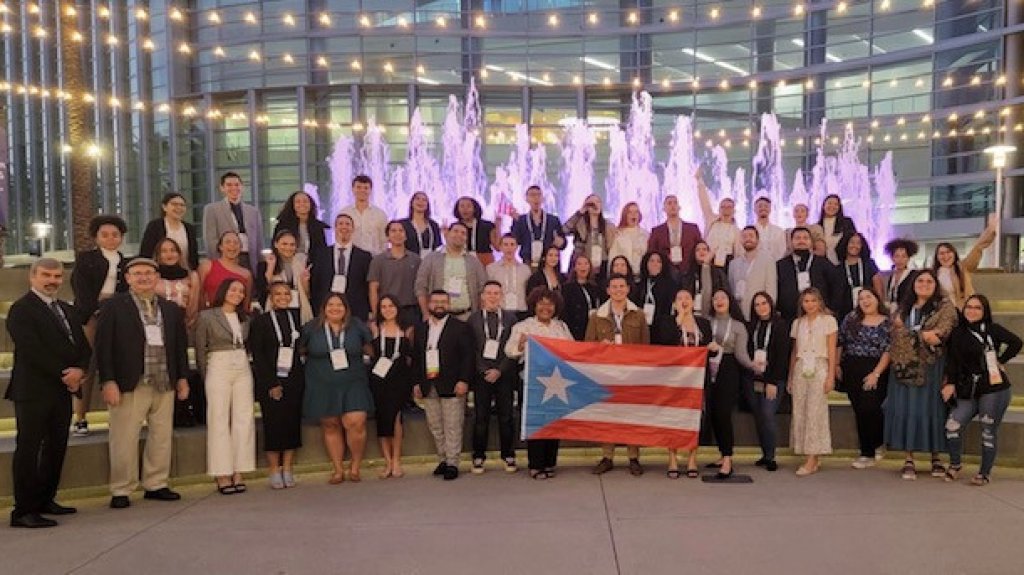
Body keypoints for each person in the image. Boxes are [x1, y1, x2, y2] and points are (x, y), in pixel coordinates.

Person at [95, 257, 189, 509]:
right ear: (127, 278)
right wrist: (108, 381)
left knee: (161, 436)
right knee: (124, 438)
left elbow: (179, 346)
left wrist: (182, 377)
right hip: (130, 382)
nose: (144, 277)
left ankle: (156, 483)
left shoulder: (170, 308)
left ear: (157, 278)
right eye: (138, 273)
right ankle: (121, 488)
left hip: (164, 381)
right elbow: (103, 347)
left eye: (149, 273)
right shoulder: (113, 306)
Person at [6, 258, 91, 528]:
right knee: (29, 449)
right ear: (32, 277)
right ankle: (23, 510)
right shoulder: (21, 309)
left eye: (57, 276)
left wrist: (80, 369)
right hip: (33, 390)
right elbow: (31, 349)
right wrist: (66, 374)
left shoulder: (66, 309)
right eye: (46, 275)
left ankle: (45, 499)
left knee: (56, 447)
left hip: (62, 390)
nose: (52, 281)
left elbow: (83, 346)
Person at [885, 269, 958, 480]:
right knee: (907, 409)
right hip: (904, 367)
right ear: (913, 284)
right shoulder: (903, 308)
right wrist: (921, 335)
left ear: (936, 285)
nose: (924, 284)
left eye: (929, 281)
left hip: (932, 367)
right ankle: (908, 458)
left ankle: (936, 457)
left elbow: (941, 333)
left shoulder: (945, 307)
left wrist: (910, 334)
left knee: (932, 409)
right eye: (920, 280)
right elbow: (894, 335)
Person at [943, 295, 1023, 485]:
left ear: (984, 311)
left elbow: (1016, 342)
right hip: (967, 389)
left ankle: (984, 473)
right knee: (952, 426)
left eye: (977, 308)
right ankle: (955, 464)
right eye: (969, 307)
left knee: (988, 431)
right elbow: (952, 361)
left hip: (994, 388)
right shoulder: (957, 333)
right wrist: (949, 383)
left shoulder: (993, 329)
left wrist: (1001, 360)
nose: (972, 311)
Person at [299, 293, 374, 484]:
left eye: (339, 305)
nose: (335, 308)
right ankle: (338, 469)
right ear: (324, 308)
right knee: (330, 424)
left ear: (346, 308)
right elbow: (301, 349)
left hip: (353, 381)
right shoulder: (311, 327)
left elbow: (370, 348)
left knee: (356, 422)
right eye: (330, 305)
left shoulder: (356, 325)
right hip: (322, 382)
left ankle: (355, 466)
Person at [195, 279, 255, 494]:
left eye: (241, 291)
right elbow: (200, 349)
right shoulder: (207, 316)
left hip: (242, 364)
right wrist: (206, 374)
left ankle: (239, 470)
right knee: (218, 418)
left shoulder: (245, 318)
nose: (237, 294)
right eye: (233, 290)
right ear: (223, 291)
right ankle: (221, 473)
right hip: (218, 364)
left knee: (244, 418)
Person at [506, 287, 574, 479]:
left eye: (550, 304)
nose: (546, 308)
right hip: (532, 382)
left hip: (558, 381)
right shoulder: (523, 326)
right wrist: (520, 346)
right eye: (541, 303)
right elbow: (509, 351)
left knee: (554, 421)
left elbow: (572, 350)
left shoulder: (561, 327)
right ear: (533, 306)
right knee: (536, 422)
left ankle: (550, 462)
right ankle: (536, 465)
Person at [70, 215, 129, 436]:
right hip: (91, 315)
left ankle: (117, 416)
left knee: (118, 364)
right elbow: (80, 288)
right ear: (96, 237)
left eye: (115, 235)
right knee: (87, 365)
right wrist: (94, 310)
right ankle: (80, 418)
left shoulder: (126, 262)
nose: (110, 239)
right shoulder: (86, 259)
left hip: (118, 316)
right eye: (105, 235)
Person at [587, 274, 650, 476]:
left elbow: (645, 346)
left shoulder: (638, 315)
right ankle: (607, 457)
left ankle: (633, 458)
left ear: (628, 289)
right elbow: (588, 346)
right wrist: (600, 346)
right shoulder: (597, 316)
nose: (618, 290)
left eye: (622, 286)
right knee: (608, 416)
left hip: (631, 374)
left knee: (631, 416)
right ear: (608, 290)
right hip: (606, 374)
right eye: (614, 287)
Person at [412, 290, 475, 480]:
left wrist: (464, 380)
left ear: (449, 305)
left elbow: (468, 357)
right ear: (429, 304)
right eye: (435, 301)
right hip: (428, 383)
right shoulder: (421, 328)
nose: (439, 305)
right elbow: (416, 357)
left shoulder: (460, 327)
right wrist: (416, 382)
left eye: (443, 302)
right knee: (435, 425)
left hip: (453, 384)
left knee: (453, 425)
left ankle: (453, 463)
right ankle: (443, 459)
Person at [249, 282, 305, 489]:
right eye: (278, 294)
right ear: (271, 298)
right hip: (271, 379)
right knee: (273, 425)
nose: (282, 297)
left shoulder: (296, 319)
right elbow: (259, 355)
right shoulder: (261, 321)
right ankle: (274, 469)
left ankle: (288, 468)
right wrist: (271, 382)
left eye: (286, 294)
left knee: (292, 423)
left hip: (294, 378)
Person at [653, 288, 712, 478]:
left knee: (695, 419)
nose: (684, 301)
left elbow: (707, 348)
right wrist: (679, 320)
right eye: (680, 298)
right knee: (674, 418)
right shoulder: (667, 322)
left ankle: (692, 459)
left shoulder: (703, 324)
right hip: (675, 379)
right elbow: (665, 343)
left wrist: (712, 348)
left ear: (693, 302)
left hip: (697, 379)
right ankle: (672, 458)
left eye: (687, 298)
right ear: (674, 304)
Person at [702, 288, 756, 479]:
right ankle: (721, 452)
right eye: (715, 298)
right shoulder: (706, 322)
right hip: (708, 368)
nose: (719, 301)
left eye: (723, 297)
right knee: (713, 413)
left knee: (724, 413)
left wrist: (754, 366)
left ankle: (727, 458)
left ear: (730, 301)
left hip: (728, 369)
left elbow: (741, 354)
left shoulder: (739, 326)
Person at [468, 281, 520, 474]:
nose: (492, 296)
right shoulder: (473, 319)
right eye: (489, 293)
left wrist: (500, 370)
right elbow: (471, 349)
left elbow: (514, 348)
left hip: (504, 374)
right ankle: (478, 456)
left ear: (501, 296)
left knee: (506, 416)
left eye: (496, 293)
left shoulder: (511, 319)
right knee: (480, 417)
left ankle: (508, 455)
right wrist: (483, 370)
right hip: (481, 375)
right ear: (482, 296)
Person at [838, 288, 892, 469]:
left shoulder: (887, 322)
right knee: (859, 410)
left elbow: (888, 350)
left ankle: (872, 447)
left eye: (869, 297)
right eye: (861, 298)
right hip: (851, 367)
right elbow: (840, 342)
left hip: (876, 367)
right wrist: (837, 364)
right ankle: (867, 449)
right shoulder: (851, 319)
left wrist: (876, 373)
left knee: (870, 407)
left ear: (877, 299)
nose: (865, 301)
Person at [787, 287, 838, 476]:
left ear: (819, 302)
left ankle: (812, 458)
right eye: (806, 301)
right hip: (801, 367)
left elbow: (832, 350)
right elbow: (794, 351)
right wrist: (791, 376)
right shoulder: (797, 323)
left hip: (819, 366)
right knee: (801, 410)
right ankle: (810, 455)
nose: (810, 304)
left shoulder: (828, 321)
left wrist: (830, 376)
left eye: (813, 301)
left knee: (815, 412)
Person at [742, 292, 791, 472]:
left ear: (770, 304)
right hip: (753, 378)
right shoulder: (750, 327)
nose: (761, 307)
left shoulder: (780, 326)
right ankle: (764, 454)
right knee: (759, 417)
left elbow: (782, 356)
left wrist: (772, 381)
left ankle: (771, 456)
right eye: (757, 305)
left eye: (764, 303)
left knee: (768, 414)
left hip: (773, 379)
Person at [368, 295, 414, 479]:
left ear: (397, 307)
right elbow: (370, 352)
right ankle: (387, 461)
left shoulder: (407, 329)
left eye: (391, 306)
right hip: (379, 379)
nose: (387, 309)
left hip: (400, 379)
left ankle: (396, 460)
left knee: (396, 418)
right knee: (382, 418)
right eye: (383, 307)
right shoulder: (374, 328)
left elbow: (411, 356)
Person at [414, 222, 487, 321]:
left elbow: (482, 290)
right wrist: (425, 313)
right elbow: (421, 287)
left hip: (467, 317)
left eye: (463, 233)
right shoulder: (431, 259)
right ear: (447, 234)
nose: (459, 235)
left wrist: (479, 316)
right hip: (438, 317)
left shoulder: (473, 262)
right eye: (455, 231)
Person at [310, 214, 372, 320]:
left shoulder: (364, 256)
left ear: (353, 229)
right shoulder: (321, 254)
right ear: (335, 228)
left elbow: (367, 286)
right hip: (327, 309)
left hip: (355, 311)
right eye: (340, 224)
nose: (344, 227)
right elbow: (316, 284)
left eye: (347, 224)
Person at [776, 227, 843, 321]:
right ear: (791, 242)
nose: (801, 241)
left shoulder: (823, 262)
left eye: (805, 238)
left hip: (820, 316)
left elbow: (838, 285)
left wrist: (832, 308)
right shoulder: (781, 265)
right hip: (789, 317)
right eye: (797, 238)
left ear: (811, 242)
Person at [202, 172, 264, 271]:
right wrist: (217, 265)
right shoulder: (212, 209)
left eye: (237, 185)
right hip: (225, 259)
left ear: (242, 187)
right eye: (229, 185)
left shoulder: (253, 211)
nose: (234, 188)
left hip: (249, 260)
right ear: (222, 188)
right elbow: (210, 240)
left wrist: (260, 263)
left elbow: (258, 240)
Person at [368, 221, 422, 327]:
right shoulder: (378, 260)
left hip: (411, 311)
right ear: (387, 236)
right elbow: (373, 289)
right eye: (393, 231)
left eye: (401, 231)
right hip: (387, 311)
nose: (398, 234)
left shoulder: (416, 259)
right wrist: (376, 314)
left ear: (406, 235)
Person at [931, 222, 996, 309]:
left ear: (954, 254)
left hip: (963, 310)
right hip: (942, 312)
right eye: (941, 253)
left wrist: (990, 230)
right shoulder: (933, 274)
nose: (946, 256)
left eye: (948, 252)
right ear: (937, 257)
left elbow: (977, 248)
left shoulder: (962, 267)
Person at [256, 230, 313, 323]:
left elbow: (307, 293)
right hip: (275, 309)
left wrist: (305, 281)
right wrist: (270, 267)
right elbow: (263, 289)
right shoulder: (265, 264)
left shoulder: (302, 264)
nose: (288, 248)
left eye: (292, 245)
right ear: (276, 244)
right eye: (284, 244)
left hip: (298, 309)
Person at [728, 226, 778, 321]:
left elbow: (771, 289)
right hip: (739, 313)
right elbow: (731, 289)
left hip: (760, 313)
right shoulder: (733, 264)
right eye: (744, 236)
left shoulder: (768, 260)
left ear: (757, 240)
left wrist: (769, 312)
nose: (748, 239)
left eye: (751, 236)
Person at [139, 192, 200, 270]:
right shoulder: (155, 226)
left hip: (185, 272)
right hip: (160, 273)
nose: (179, 207)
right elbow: (145, 253)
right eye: (174, 204)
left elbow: (194, 256)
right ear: (164, 207)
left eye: (182, 205)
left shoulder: (189, 228)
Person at [510, 185, 566, 268]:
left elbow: (563, 243)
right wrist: (515, 222)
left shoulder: (553, 220)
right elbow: (516, 241)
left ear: (542, 198)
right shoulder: (521, 220)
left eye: (539, 195)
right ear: (527, 199)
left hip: (549, 263)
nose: (536, 198)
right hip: (528, 262)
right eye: (532, 195)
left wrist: (561, 242)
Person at [647, 194, 702, 278]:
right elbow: (651, 252)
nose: (673, 206)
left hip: (690, 273)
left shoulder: (692, 228)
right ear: (664, 209)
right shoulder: (657, 231)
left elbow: (700, 247)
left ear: (679, 207)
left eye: (675, 203)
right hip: (665, 273)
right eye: (669, 203)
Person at [197, 231, 253, 310]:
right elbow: (198, 294)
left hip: (235, 315)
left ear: (240, 248)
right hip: (209, 314)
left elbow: (246, 304)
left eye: (236, 243)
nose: (232, 245)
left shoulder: (246, 274)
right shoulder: (207, 266)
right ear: (220, 247)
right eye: (228, 242)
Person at [696, 172, 742, 269]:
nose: (726, 209)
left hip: (727, 263)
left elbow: (738, 252)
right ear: (719, 209)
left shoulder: (737, 231)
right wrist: (699, 180)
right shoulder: (711, 220)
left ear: (734, 210)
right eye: (723, 207)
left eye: (729, 207)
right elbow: (704, 201)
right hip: (708, 260)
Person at [834, 232, 884, 321]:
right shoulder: (838, 269)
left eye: (858, 243)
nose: (855, 246)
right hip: (846, 314)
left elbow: (878, 288)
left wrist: (879, 307)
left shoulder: (869, 264)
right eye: (852, 242)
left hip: (869, 311)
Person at [153, 238, 201, 331]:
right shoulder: (153, 276)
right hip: (158, 325)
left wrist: (187, 322)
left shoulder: (191, 276)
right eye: (164, 251)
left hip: (184, 324)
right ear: (158, 255)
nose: (169, 254)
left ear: (179, 254)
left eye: (173, 250)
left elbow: (194, 304)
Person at [563, 194, 615, 275]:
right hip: (581, 264)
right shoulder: (579, 223)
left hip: (602, 264)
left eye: (598, 202)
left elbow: (611, 247)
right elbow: (564, 230)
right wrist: (580, 212)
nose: (595, 205)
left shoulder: (608, 225)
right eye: (591, 203)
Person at [273, 190, 329, 259]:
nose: (302, 204)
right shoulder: (282, 225)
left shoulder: (319, 227)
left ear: (311, 204)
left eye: (305, 201)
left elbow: (323, 250)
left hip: (313, 263)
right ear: (292, 205)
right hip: (287, 262)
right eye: (298, 202)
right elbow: (275, 247)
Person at [340, 174, 388, 255]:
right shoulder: (344, 213)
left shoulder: (380, 214)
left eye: (366, 188)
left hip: (374, 257)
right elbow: (340, 238)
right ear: (353, 189)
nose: (362, 190)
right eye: (358, 187)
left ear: (371, 190)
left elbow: (384, 240)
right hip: (352, 257)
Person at [487, 233, 532, 319]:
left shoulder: (525, 269)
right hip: (500, 312)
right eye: (506, 244)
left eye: (512, 244)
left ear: (516, 247)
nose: (509, 248)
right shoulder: (491, 268)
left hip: (521, 311)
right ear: (500, 247)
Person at [561, 254, 604, 340]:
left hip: (591, 328)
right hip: (574, 330)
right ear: (574, 267)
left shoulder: (595, 287)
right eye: (579, 264)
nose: (583, 267)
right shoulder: (567, 288)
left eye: (586, 263)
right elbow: (564, 312)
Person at [631, 251, 678, 330]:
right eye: (651, 261)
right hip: (641, 325)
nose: (655, 264)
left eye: (658, 261)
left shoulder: (670, 285)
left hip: (662, 327)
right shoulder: (640, 284)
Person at [681, 240, 729, 317]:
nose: (701, 252)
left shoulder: (718, 273)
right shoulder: (687, 274)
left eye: (704, 249)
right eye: (698, 250)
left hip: (712, 314)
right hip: (692, 314)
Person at [454, 196, 499, 265]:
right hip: (461, 262)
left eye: (468, 206)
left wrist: (498, 227)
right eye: (462, 206)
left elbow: (498, 247)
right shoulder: (454, 227)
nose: (465, 209)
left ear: (475, 208)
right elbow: (451, 248)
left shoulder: (487, 225)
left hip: (485, 262)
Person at [608, 202, 649, 274]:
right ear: (625, 215)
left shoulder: (646, 235)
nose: (633, 215)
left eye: (636, 212)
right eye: (630, 212)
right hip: (623, 275)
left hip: (642, 275)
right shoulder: (618, 235)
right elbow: (612, 258)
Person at [400, 191, 443, 257]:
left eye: (424, 200)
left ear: (427, 205)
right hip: (408, 260)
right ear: (412, 203)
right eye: (417, 199)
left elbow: (438, 247)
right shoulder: (402, 224)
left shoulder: (434, 225)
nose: (421, 202)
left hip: (430, 261)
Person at [818, 194, 857, 265]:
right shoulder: (818, 226)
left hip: (843, 263)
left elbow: (854, 240)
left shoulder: (847, 222)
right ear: (824, 206)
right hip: (824, 264)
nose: (832, 206)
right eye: (829, 203)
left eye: (836, 204)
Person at [883, 238, 919, 307]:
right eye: (897, 256)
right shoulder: (891, 277)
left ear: (908, 258)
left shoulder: (913, 275)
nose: (900, 260)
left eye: (904, 256)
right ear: (892, 258)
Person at [752, 197, 787, 262]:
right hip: (754, 265)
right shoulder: (749, 231)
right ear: (754, 209)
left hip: (774, 264)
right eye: (760, 206)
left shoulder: (778, 231)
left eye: (766, 206)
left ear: (770, 209)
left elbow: (782, 251)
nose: (763, 208)